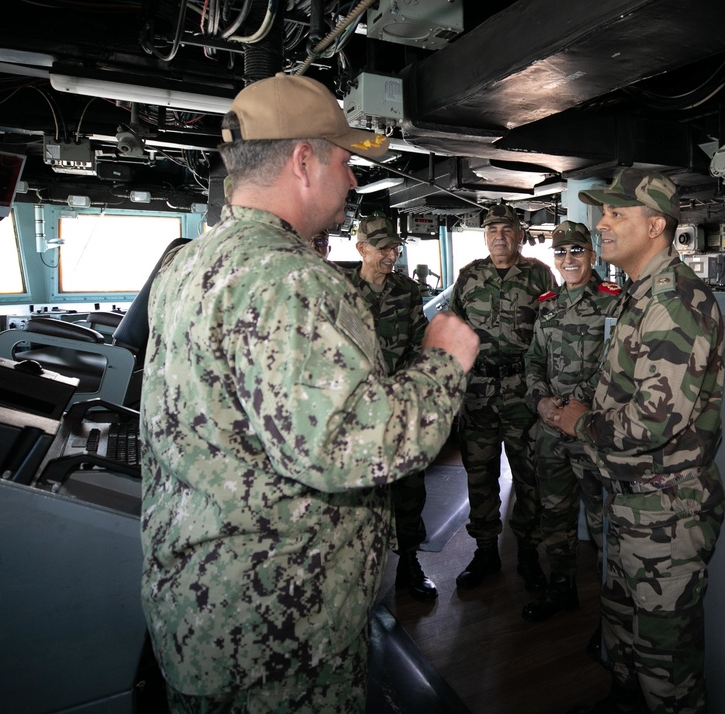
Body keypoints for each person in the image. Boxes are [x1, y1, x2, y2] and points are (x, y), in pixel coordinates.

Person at [139, 72, 479, 714]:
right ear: (303, 160)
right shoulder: (291, 280)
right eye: (345, 161)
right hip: (280, 635)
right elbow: (354, 447)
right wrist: (443, 361)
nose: (353, 180)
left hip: (204, 608)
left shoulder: (186, 263)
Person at [556, 169, 725, 714]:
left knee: (667, 674)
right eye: (602, 213)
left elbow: (654, 421)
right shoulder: (642, 293)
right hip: (633, 504)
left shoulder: (675, 300)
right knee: (626, 641)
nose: (600, 225)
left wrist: (579, 423)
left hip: (666, 514)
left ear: (656, 225)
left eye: (615, 214)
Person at [450, 203, 556, 591]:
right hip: (477, 392)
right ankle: (485, 550)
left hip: (521, 392)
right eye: (492, 229)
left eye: (507, 229)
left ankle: (528, 550)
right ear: (484, 236)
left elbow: (551, 332)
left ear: (520, 235)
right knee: (480, 474)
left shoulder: (540, 275)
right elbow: (453, 332)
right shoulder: (469, 277)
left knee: (529, 475)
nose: (499, 236)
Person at [520, 220, 620, 623]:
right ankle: (562, 588)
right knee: (554, 515)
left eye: (576, 250)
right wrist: (541, 402)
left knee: (603, 522)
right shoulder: (547, 305)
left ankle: (611, 615)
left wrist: (574, 406)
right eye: (560, 252)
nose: (568, 258)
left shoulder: (613, 301)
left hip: (590, 432)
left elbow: (616, 366)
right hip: (551, 432)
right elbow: (533, 360)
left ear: (592, 255)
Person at [349, 213, 437, 600]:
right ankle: (355, 570)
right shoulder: (340, 291)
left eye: (394, 248)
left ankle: (408, 562)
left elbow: (421, 342)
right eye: (382, 248)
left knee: (408, 486)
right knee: (357, 493)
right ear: (361, 249)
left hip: (398, 406)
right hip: (355, 412)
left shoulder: (407, 291)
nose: (391, 255)